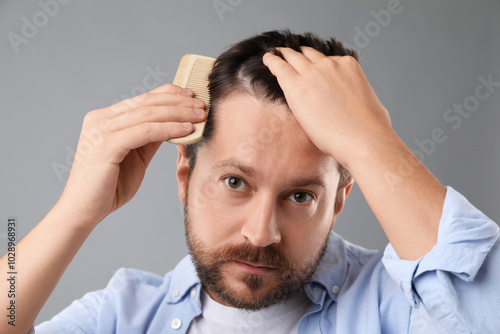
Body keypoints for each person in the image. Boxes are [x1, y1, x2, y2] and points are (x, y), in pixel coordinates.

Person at [1, 30, 498, 334]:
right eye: (236, 182)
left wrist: (373, 144)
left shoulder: (399, 308)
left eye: (300, 195)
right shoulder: (124, 314)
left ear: (341, 198)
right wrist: (72, 213)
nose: (261, 234)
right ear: (185, 175)